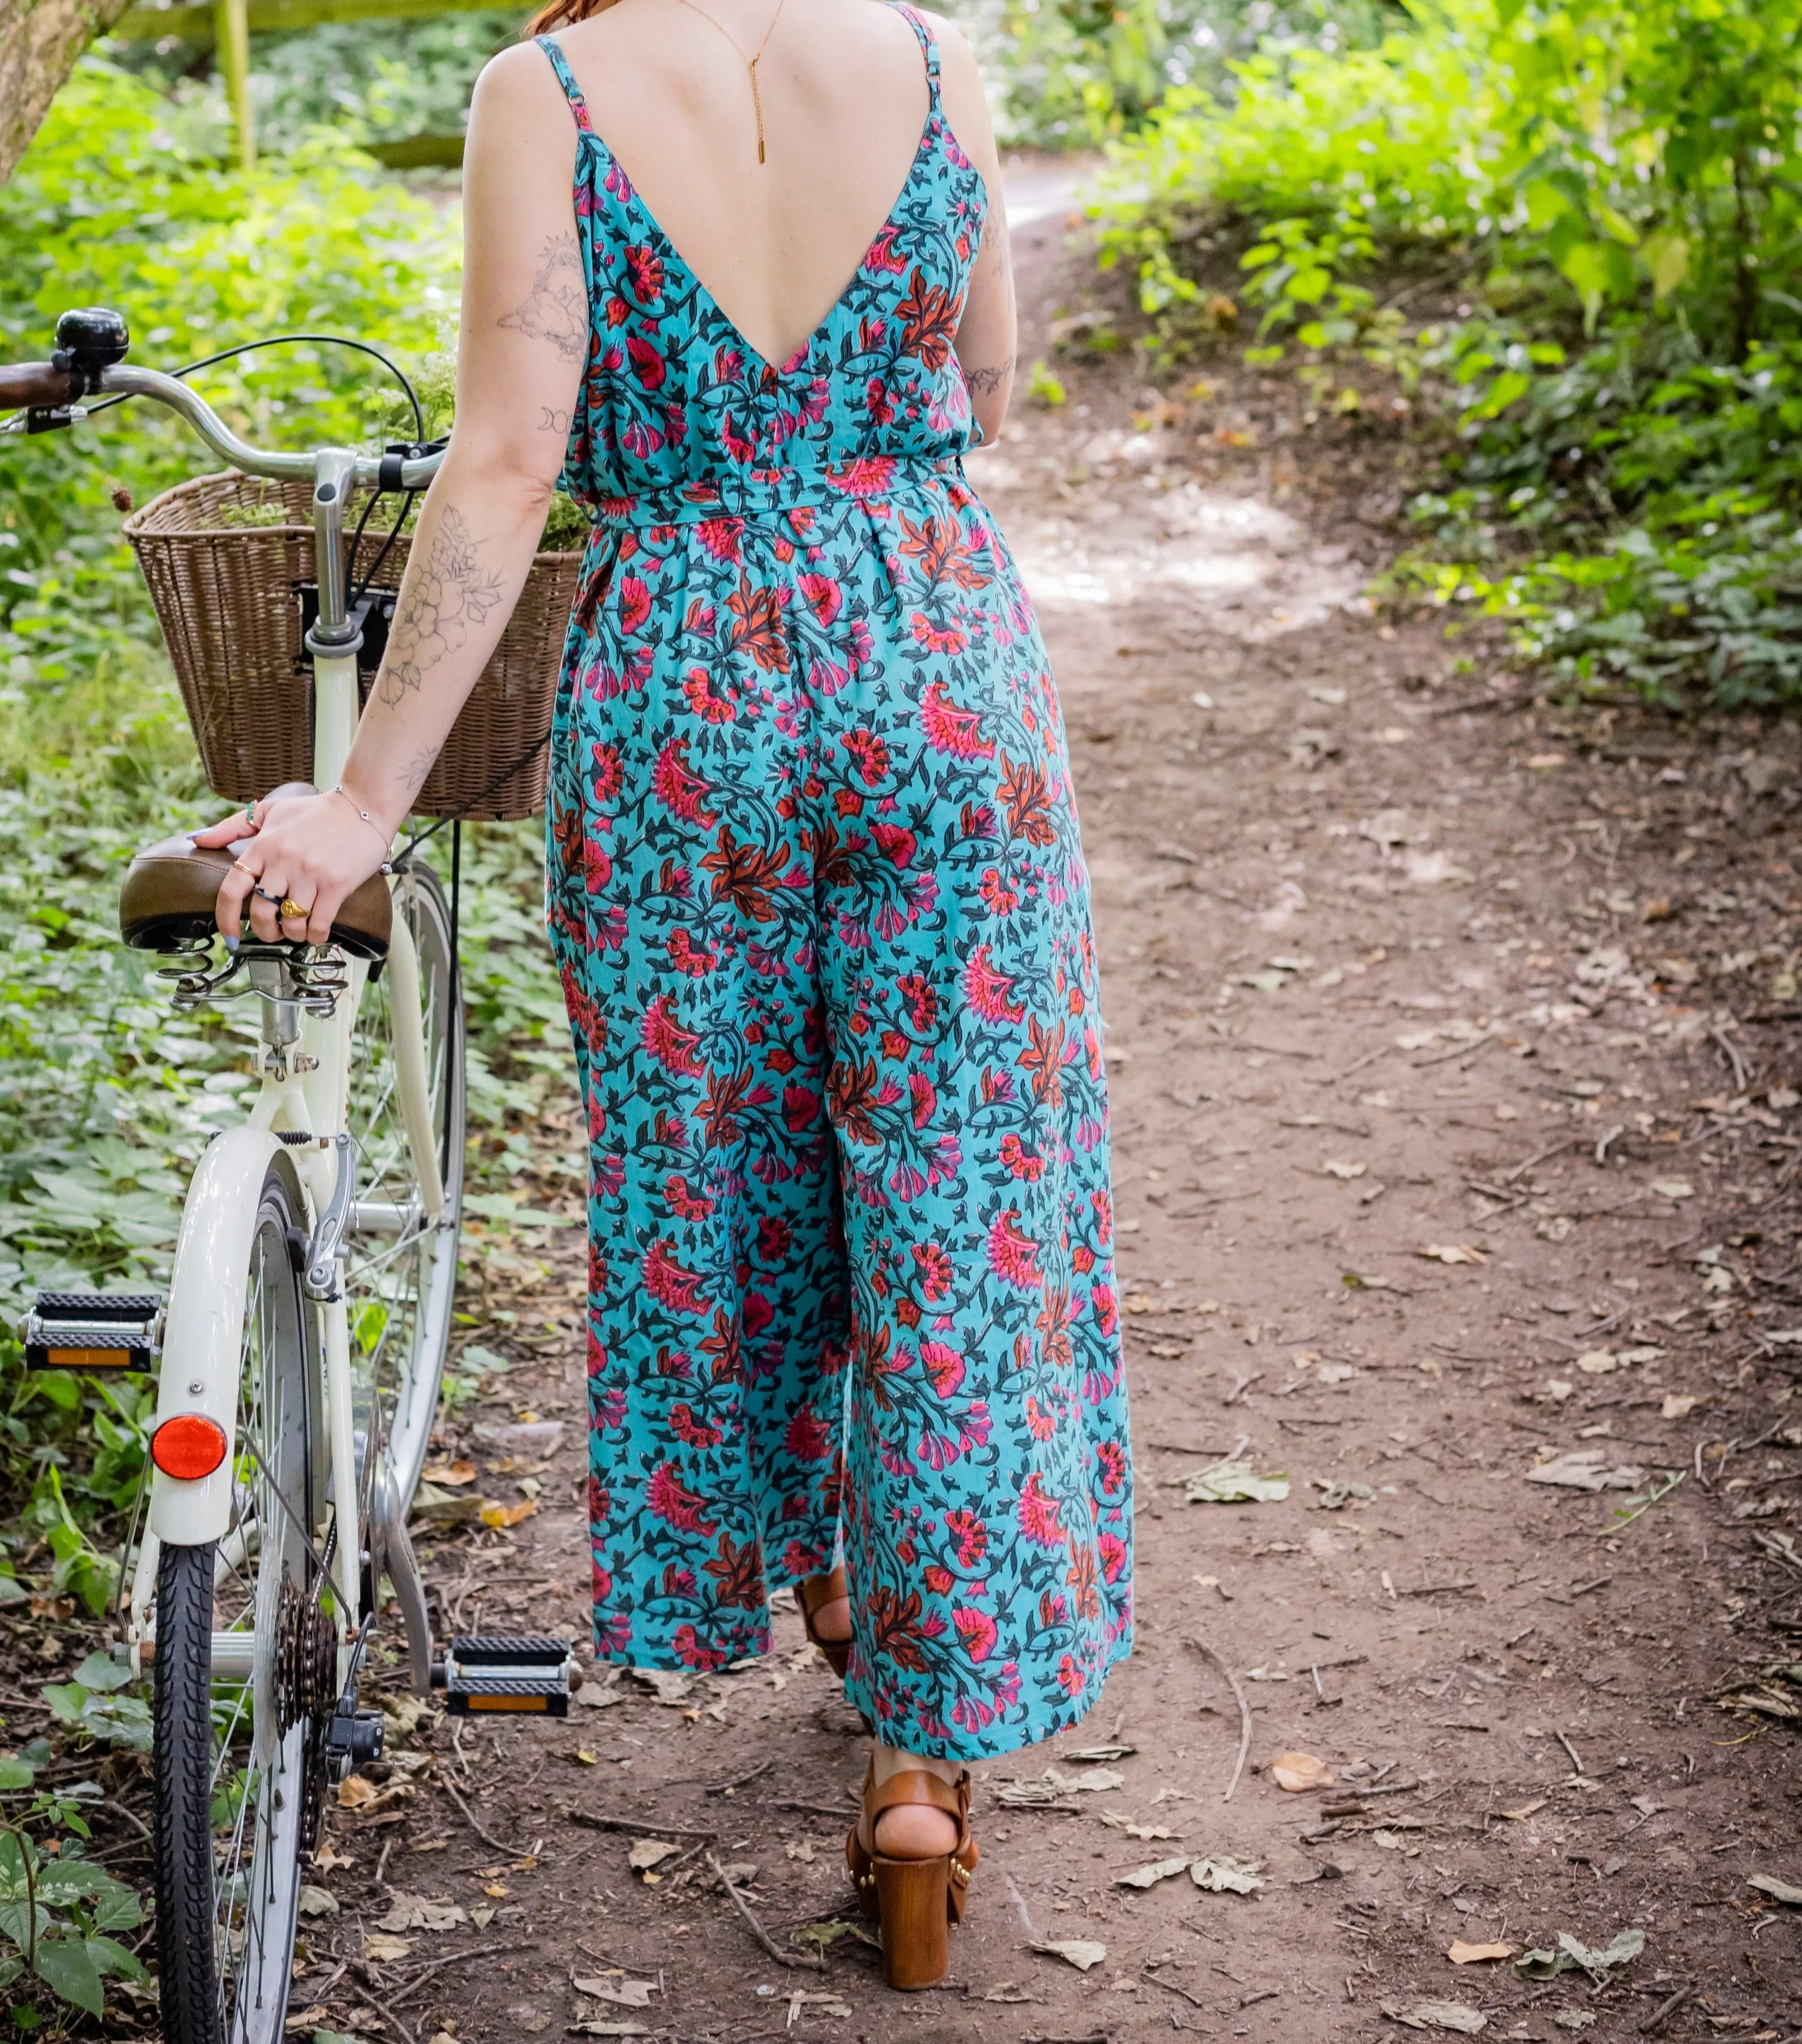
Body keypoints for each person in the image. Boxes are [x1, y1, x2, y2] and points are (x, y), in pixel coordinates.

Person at [193, 0, 1133, 1989]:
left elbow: (507, 462)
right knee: (956, 1207)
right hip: (937, 658)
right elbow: (990, 381)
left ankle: (805, 1567)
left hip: (684, 692)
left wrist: (365, 806)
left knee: (729, 1176)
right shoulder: (940, 56)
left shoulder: (545, 91)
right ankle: (921, 1760)